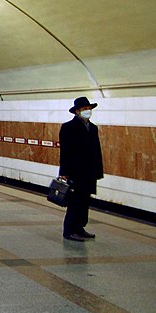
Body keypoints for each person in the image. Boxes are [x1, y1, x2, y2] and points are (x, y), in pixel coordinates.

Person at [58, 96, 104, 242]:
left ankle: (80, 228)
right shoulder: (68, 127)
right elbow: (65, 151)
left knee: (85, 201)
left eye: (89, 109)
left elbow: (97, 151)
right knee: (74, 201)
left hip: (89, 172)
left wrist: (98, 171)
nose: (88, 111)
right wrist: (64, 172)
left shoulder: (93, 128)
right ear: (77, 111)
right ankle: (69, 230)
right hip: (75, 171)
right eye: (85, 109)